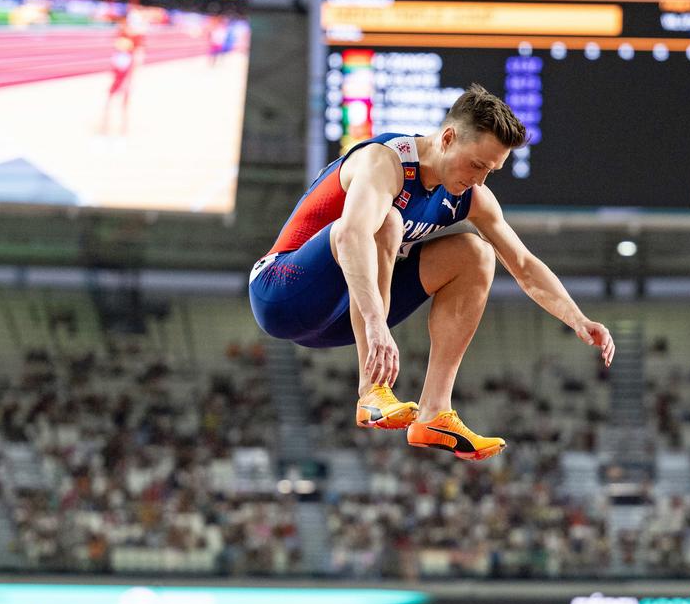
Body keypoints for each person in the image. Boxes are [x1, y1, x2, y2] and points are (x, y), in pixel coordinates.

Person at [249, 84, 614, 461]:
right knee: (385, 221)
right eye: (476, 164)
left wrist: (577, 318)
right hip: (282, 291)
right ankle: (372, 392)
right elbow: (352, 236)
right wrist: (376, 323)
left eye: (491, 171)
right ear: (448, 137)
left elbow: (522, 264)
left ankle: (434, 412)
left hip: (340, 314)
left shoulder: (468, 196)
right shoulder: (385, 162)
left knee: (476, 254)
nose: (479, 179)